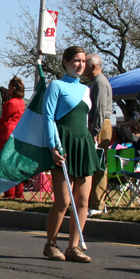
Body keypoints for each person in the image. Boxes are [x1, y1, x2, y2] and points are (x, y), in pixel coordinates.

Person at [43, 46, 101, 263]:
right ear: (65, 62)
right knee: (63, 200)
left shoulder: (87, 89)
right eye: (76, 60)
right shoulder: (56, 86)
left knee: (83, 200)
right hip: (63, 144)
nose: (80, 65)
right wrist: (53, 147)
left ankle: (74, 247)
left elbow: (86, 119)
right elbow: (48, 118)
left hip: (83, 144)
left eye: (84, 61)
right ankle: (50, 244)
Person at [84, 53, 113, 217]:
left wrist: (95, 131)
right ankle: (93, 201)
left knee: (99, 164)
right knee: (95, 164)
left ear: (93, 66)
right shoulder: (96, 82)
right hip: (98, 124)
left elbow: (100, 109)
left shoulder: (100, 82)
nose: (83, 67)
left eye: (85, 64)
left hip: (100, 125)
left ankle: (97, 203)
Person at [0, 77, 26, 199]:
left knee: (6, 165)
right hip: (16, 134)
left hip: (7, 134)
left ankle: (10, 193)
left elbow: (1, 117)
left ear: (13, 88)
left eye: (9, 87)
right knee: (15, 165)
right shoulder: (21, 102)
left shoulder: (11, 103)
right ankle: (18, 192)